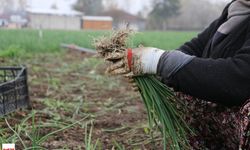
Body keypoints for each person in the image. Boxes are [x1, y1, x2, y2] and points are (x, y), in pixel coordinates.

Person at [105, 0, 250, 149]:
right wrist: (158, 72)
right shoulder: (236, 9)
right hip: (229, 123)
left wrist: (161, 62)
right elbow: (195, 47)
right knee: (180, 88)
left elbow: (240, 78)